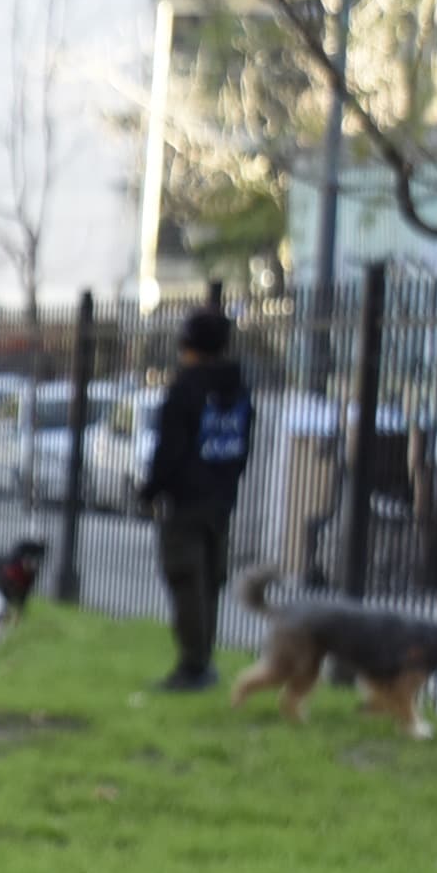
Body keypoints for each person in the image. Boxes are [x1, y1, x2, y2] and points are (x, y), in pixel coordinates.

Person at [143, 293, 256, 690]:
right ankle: (203, 658)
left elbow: (170, 449)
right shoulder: (238, 387)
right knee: (208, 581)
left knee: (186, 578)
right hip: (220, 499)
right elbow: (243, 445)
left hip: (186, 500)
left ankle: (194, 666)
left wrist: (151, 490)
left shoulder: (186, 388)